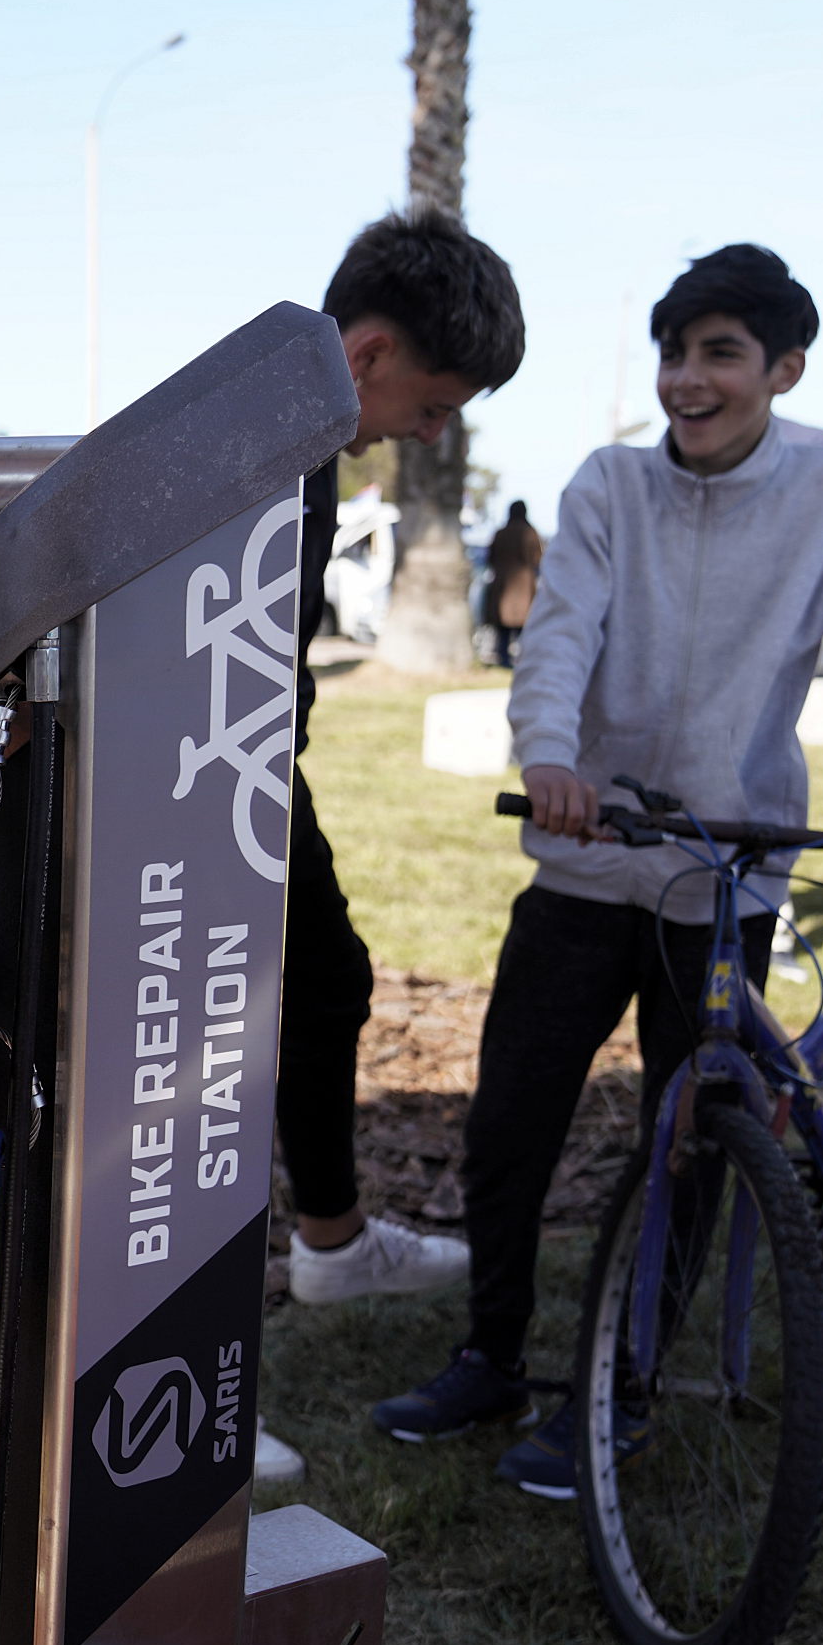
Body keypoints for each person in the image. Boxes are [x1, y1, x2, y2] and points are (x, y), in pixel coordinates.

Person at [373, 245, 823, 1494]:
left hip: (732, 871)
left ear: (784, 368)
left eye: (721, 353)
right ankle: (492, 1355)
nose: (688, 379)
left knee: (693, 1141)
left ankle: (627, 1392)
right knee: (511, 1122)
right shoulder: (610, 486)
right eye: (676, 353)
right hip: (591, 853)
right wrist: (551, 757)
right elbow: (560, 638)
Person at [279, 212, 527, 1311]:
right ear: (370, 354)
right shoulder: (269, 445)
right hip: (197, 786)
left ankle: (329, 1244)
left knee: (324, 984)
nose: (430, 436)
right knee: (292, 998)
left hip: (246, 775)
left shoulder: (295, 431)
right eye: (433, 406)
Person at [485, 500, 542, 668]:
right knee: (523, 628)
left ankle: (503, 659)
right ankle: (523, 660)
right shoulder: (531, 533)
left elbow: (491, 558)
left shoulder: (501, 533)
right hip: (524, 587)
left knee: (502, 628)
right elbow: (537, 558)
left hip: (501, 584)